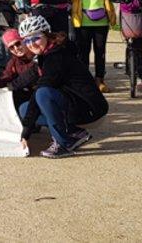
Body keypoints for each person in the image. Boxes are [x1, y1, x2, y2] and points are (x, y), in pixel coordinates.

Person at [15, 15, 108, 159]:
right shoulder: (45, 54)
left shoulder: (56, 56)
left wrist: (26, 130)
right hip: (74, 103)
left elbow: (40, 90)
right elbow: (27, 77)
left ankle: (64, 143)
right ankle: (74, 132)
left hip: (91, 109)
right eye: (27, 40)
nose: (31, 44)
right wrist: (4, 85)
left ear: (47, 34)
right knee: (24, 109)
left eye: (35, 38)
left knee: (42, 94)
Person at [66, 0, 115, 93]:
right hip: (82, 21)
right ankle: (84, 80)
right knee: (83, 53)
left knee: (100, 52)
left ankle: (100, 79)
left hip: (101, 21)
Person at [0, 28, 37, 107]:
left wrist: (10, 87)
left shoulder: (36, 54)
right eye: (11, 47)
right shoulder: (14, 61)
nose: (16, 48)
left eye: (18, 43)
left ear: (24, 40)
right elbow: (5, 77)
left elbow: (29, 77)